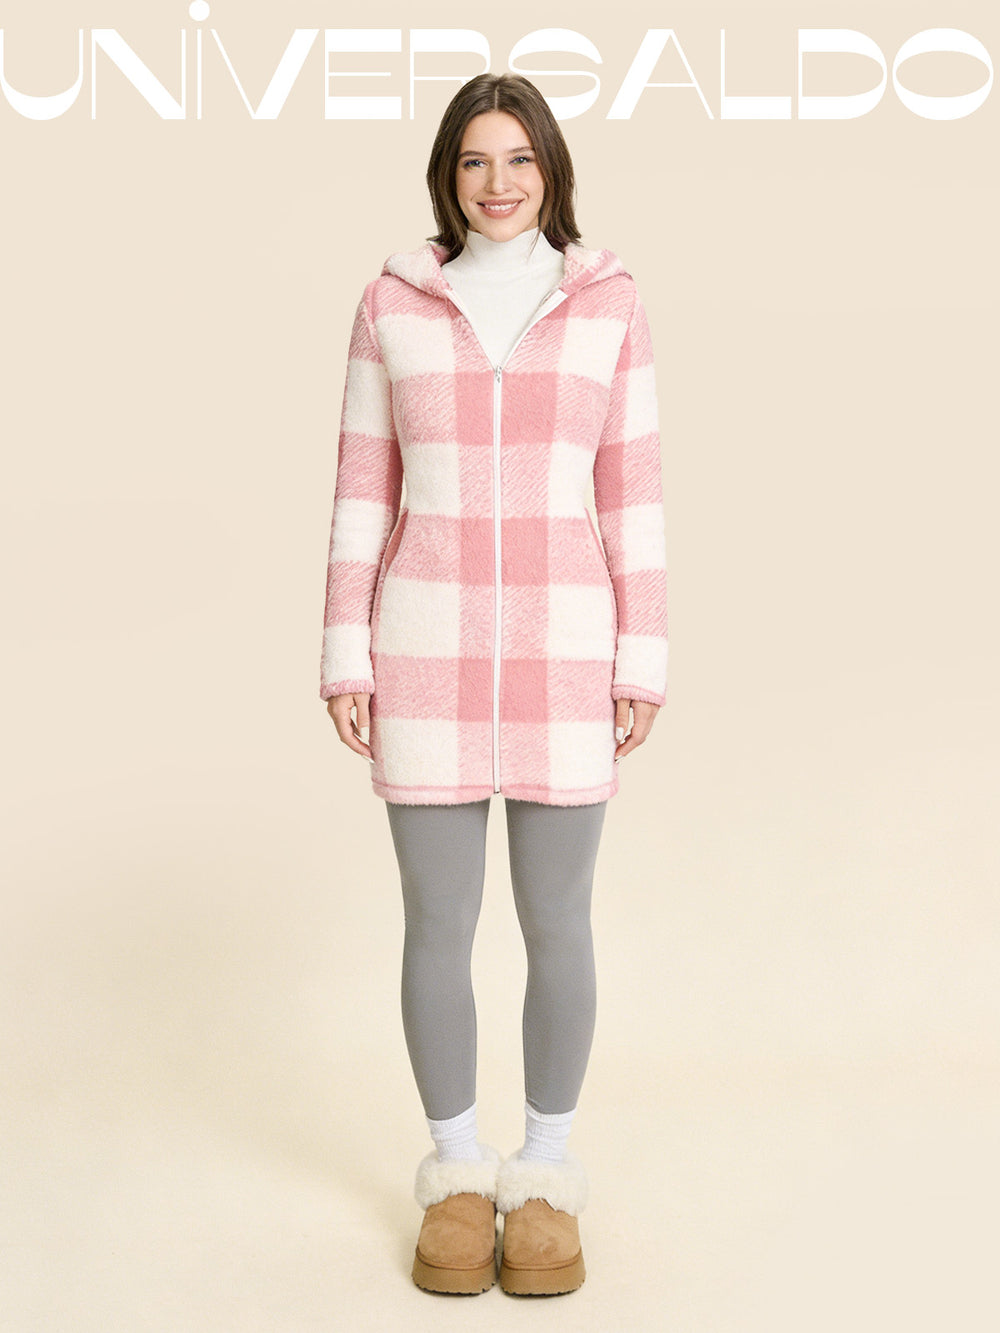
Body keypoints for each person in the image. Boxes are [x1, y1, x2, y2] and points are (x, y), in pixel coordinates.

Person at [319, 72, 668, 1296]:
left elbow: (631, 490)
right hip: (422, 647)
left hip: (568, 649)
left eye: (519, 158)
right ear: (447, 175)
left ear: (551, 171)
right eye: (475, 160)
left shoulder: (608, 304)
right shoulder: (393, 305)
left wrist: (641, 654)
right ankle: (459, 1176)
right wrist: (345, 648)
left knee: (559, 920)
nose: (498, 181)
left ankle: (547, 1178)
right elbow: (361, 486)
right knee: (437, 922)